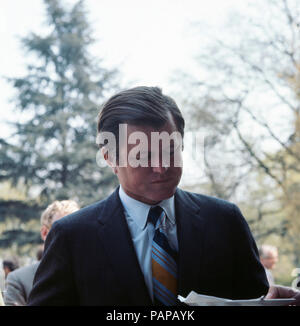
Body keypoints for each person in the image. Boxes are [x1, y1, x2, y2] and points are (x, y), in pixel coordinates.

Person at [27, 86, 299, 306]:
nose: (161, 166)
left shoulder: (224, 221)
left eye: (170, 150)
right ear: (110, 158)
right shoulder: (73, 237)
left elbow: (256, 299)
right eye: (143, 155)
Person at [4, 200, 80, 306]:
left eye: (77, 231)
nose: (71, 238)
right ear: (44, 233)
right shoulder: (19, 280)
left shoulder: (95, 273)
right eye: (62, 231)